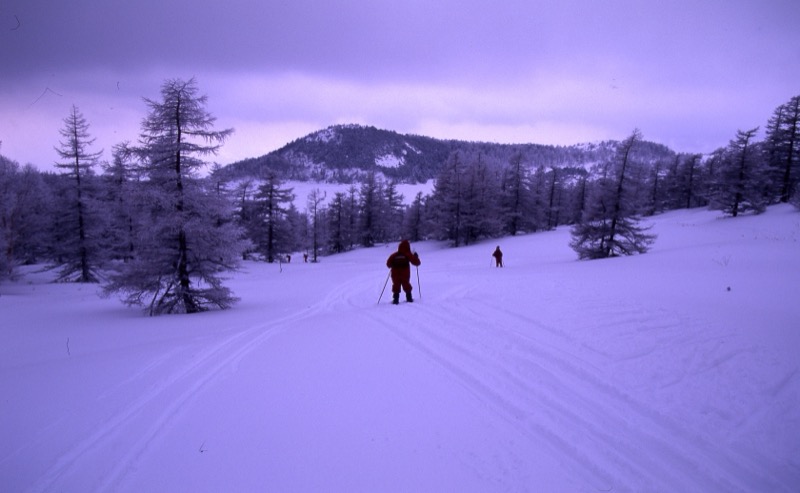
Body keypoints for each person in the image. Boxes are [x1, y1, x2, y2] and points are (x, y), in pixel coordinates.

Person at [386, 240, 421, 304]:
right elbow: (417, 263)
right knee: (406, 284)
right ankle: (409, 298)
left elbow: (388, 264)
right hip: (405, 273)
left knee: (396, 285)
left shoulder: (394, 255)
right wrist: (416, 257)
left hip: (395, 273)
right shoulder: (408, 254)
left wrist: (393, 264)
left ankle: (395, 300)